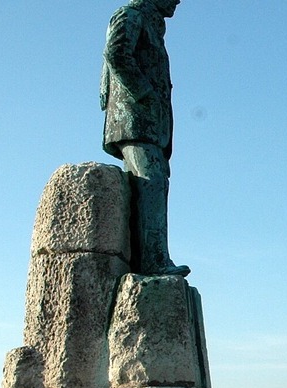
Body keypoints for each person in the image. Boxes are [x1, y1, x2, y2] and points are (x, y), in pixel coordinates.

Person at [101, 0, 189, 276]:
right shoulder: (131, 15)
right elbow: (115, 54)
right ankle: (153, 261)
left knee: (155, 181)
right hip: (136, 121)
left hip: (148, 124)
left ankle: (151, 257)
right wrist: (144, 95)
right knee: (151, 181)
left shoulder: (149, 23)